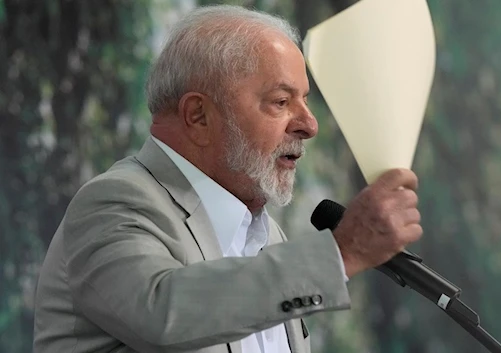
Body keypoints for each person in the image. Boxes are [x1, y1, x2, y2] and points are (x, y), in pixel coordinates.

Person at [33, 4, 423, 353]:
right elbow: (163, 313)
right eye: (282, 102)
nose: (309, 124)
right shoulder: (114, 204)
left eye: (306, 101)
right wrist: (342, 252)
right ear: (199, 116)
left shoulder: (267, 235)